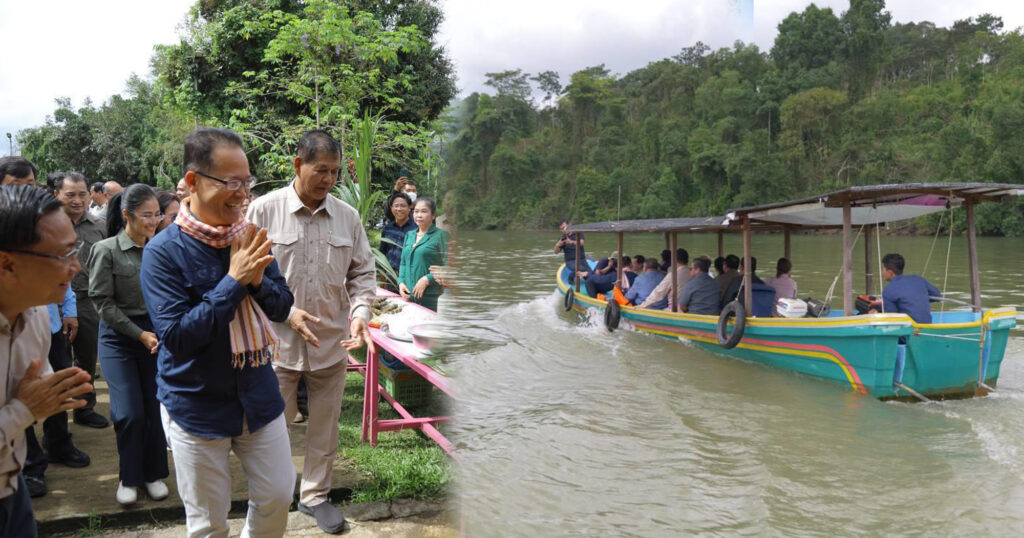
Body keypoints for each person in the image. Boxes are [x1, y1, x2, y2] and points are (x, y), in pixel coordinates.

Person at [140, 127, 296, 537]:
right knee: (208, 523)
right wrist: (234, 281)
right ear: (192, 182)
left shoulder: (249, 236)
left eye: (246, 182)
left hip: (259, 395)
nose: (242, 193)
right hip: (196, 404)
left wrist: (257, 280)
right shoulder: (162, 252)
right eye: (230, 182)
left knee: (279, 494)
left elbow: (282, 306)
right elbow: (177, 337)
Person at [247, 130, 376, 534]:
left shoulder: (347, 217)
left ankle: (316, 496)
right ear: (297, 165)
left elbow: (362, 272)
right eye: (321, 169)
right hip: (274, 345)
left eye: (335, 172)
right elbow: (243, 275)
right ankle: (274, 494)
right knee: (271, 428)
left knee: (325, 425)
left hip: (332, 342)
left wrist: (360, 313)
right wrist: (283, 313)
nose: (328, 179)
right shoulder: (263, 212)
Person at [0, 184, 94, 537]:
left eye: (76, 250)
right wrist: (24, 411)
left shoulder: (38, 312)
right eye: (63, 256)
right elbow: (27, 406)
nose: (76, 267)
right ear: (6, 263)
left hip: (12, 487)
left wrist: (48, 394)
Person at [90, 184, 170, 506]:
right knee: (128, 413)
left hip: (155, 335)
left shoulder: (162, 248)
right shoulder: (107, 250)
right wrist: (139, 333)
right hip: (118, 338)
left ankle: (152, 475)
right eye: (147, 215)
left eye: (158, 215)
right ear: (127, 215)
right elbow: (103, 303)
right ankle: (129, 476)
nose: (154, 221)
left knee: (152, 409)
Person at [52, 171, 109, 428]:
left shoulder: (99, 225)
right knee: (57, 361)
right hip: (52, 302)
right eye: (70, 195)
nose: (77, 200)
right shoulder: (46, 224)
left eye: (82, 194)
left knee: (86, 356)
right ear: (57, 195)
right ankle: (58, 419)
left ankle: (85, 409)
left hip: (89, 300)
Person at [23, 283, 91, 498]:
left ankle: (58, 444)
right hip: (12, 332)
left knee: (59, 384)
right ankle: (30, 465)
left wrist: (70, 311)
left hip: (49, 327)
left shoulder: (41, 249)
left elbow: (59, 273)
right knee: (18, 393)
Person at [398, 197, 449, 312]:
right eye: (416, 211)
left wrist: (427, 279)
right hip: (408, 297)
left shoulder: (441, 236)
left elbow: (449, 265)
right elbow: (403, 263)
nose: (419, 215)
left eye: (424, 211)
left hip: (430, 299)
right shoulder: (409, 235)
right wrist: (401, 283)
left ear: (433, 215)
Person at [870, 253, 941, 324]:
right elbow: (938, 296)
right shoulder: (918, 279)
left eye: (883, 269)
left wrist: (877, 313)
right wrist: (920, 298)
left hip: (909, 330)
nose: (882, 272)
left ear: (890, 272)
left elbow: (891, 319)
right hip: (927, 327)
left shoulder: (888, 291)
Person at [380, 192, 415, 282]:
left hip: (410, 277)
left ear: (409, 207)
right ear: (391, 208)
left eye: (403, 206)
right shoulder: (387, 229)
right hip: (390, 277)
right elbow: (382, 254)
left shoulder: (416, 229)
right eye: (396, 206)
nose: (399, 209)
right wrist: (382, 278)